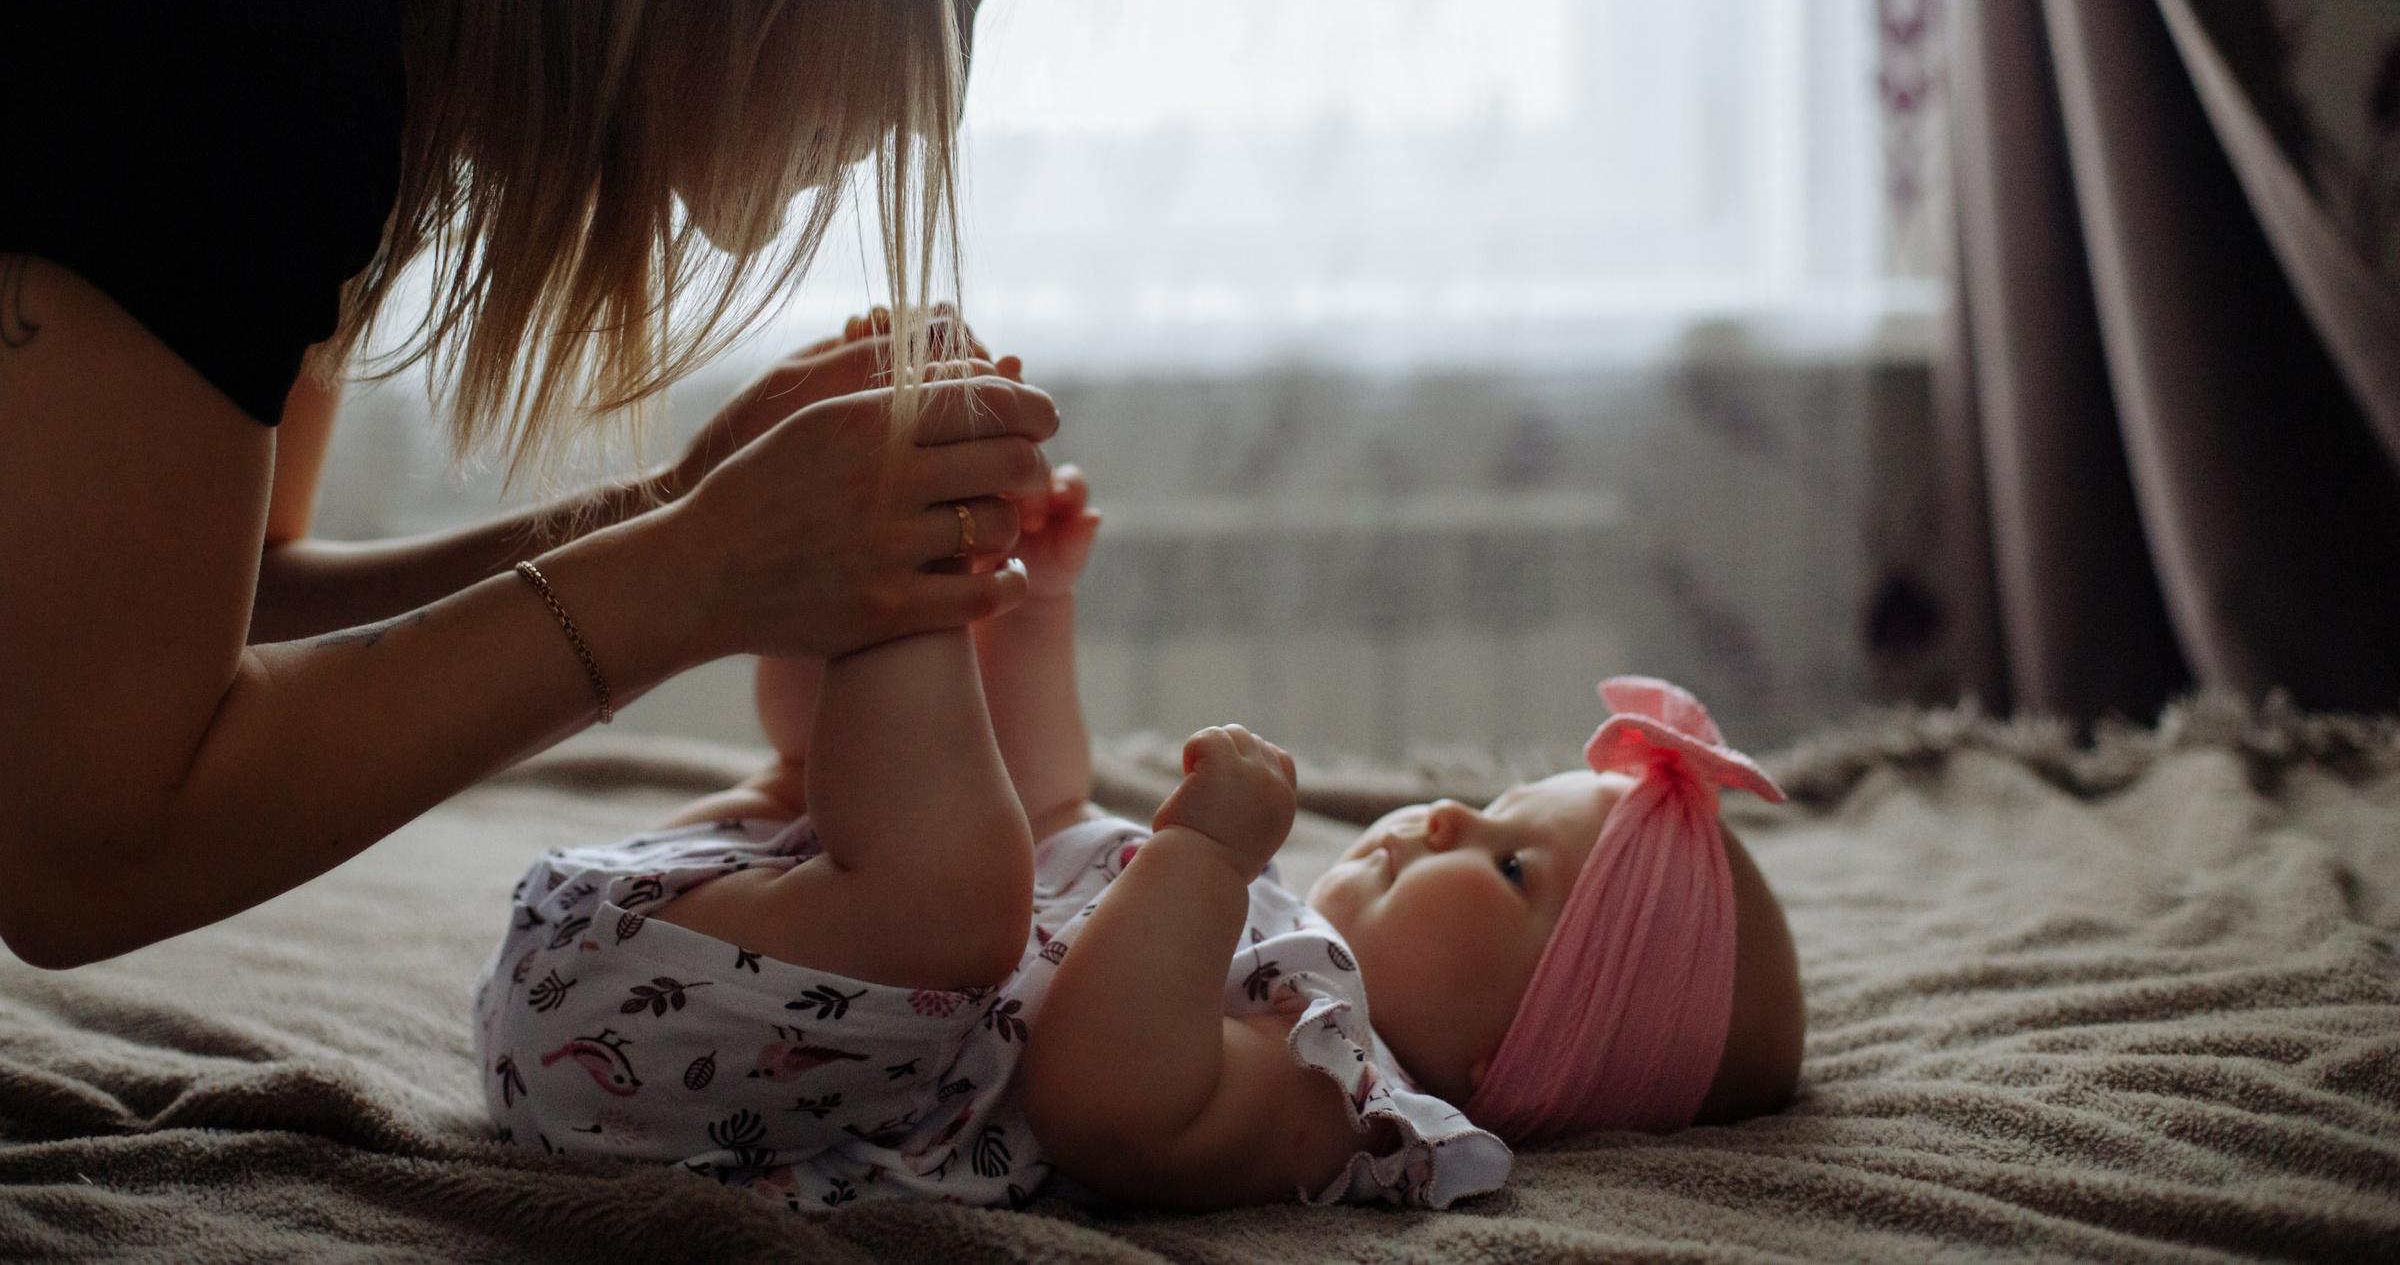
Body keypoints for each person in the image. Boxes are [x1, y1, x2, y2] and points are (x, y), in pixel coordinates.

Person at [0, 0, 1115, 968]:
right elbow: (78, 850)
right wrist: (695, 572)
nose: (935, 95)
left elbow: (228, 604)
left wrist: (672, 513)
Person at [470, 406, 1805, 1211]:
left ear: (1527, 1056)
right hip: (683, 931)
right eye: (1491, 803)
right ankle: (872, 573)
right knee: (901, 807)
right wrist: (1037, 613)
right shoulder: (1283, 949)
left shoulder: (1337, 1099)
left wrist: (1205, 855)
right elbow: (1049, 806)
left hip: (677, 1059)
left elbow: (1106, 1096)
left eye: (1514, 871)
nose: (1447, 819)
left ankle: (889, 574)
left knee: (946, 886)